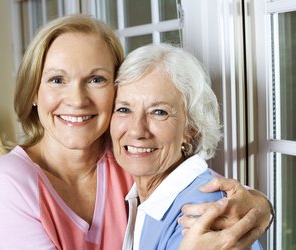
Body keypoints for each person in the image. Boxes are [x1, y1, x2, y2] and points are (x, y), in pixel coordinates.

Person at [0, 14, 272, 249]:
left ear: (116, 89)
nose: (77, 100)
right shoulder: (6, 183)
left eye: (96, 79)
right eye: (56, 80)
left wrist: (260, 207)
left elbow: (196, 187)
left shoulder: (129, 157)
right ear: (34, 91)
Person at [111, 43, 263, 249]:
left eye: (159, 112)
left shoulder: (204, 211)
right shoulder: (146, 195)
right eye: (123, 109)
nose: (137, 131)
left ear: (190, 127)